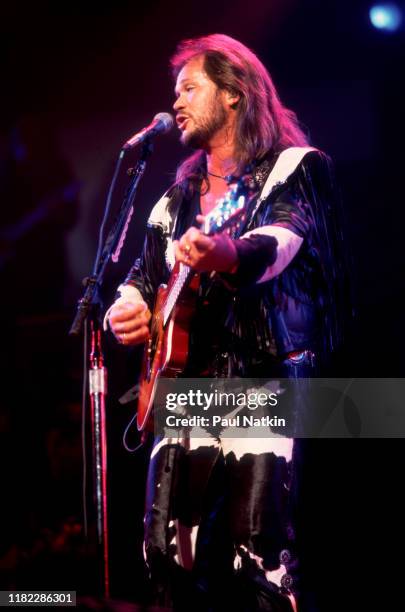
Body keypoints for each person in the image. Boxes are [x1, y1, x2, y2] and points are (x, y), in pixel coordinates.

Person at [106, 34, 348, 612]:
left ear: (235, 92)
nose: (177, 101)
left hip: (263, 380)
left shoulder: (295, 167)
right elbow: (142, 275)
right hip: (183, 387)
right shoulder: (177, 196)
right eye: (176, 91)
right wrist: (126, 307)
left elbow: (282, 240)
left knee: (258, 562)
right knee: (165, 553)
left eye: (190, 88)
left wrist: (222, 254)